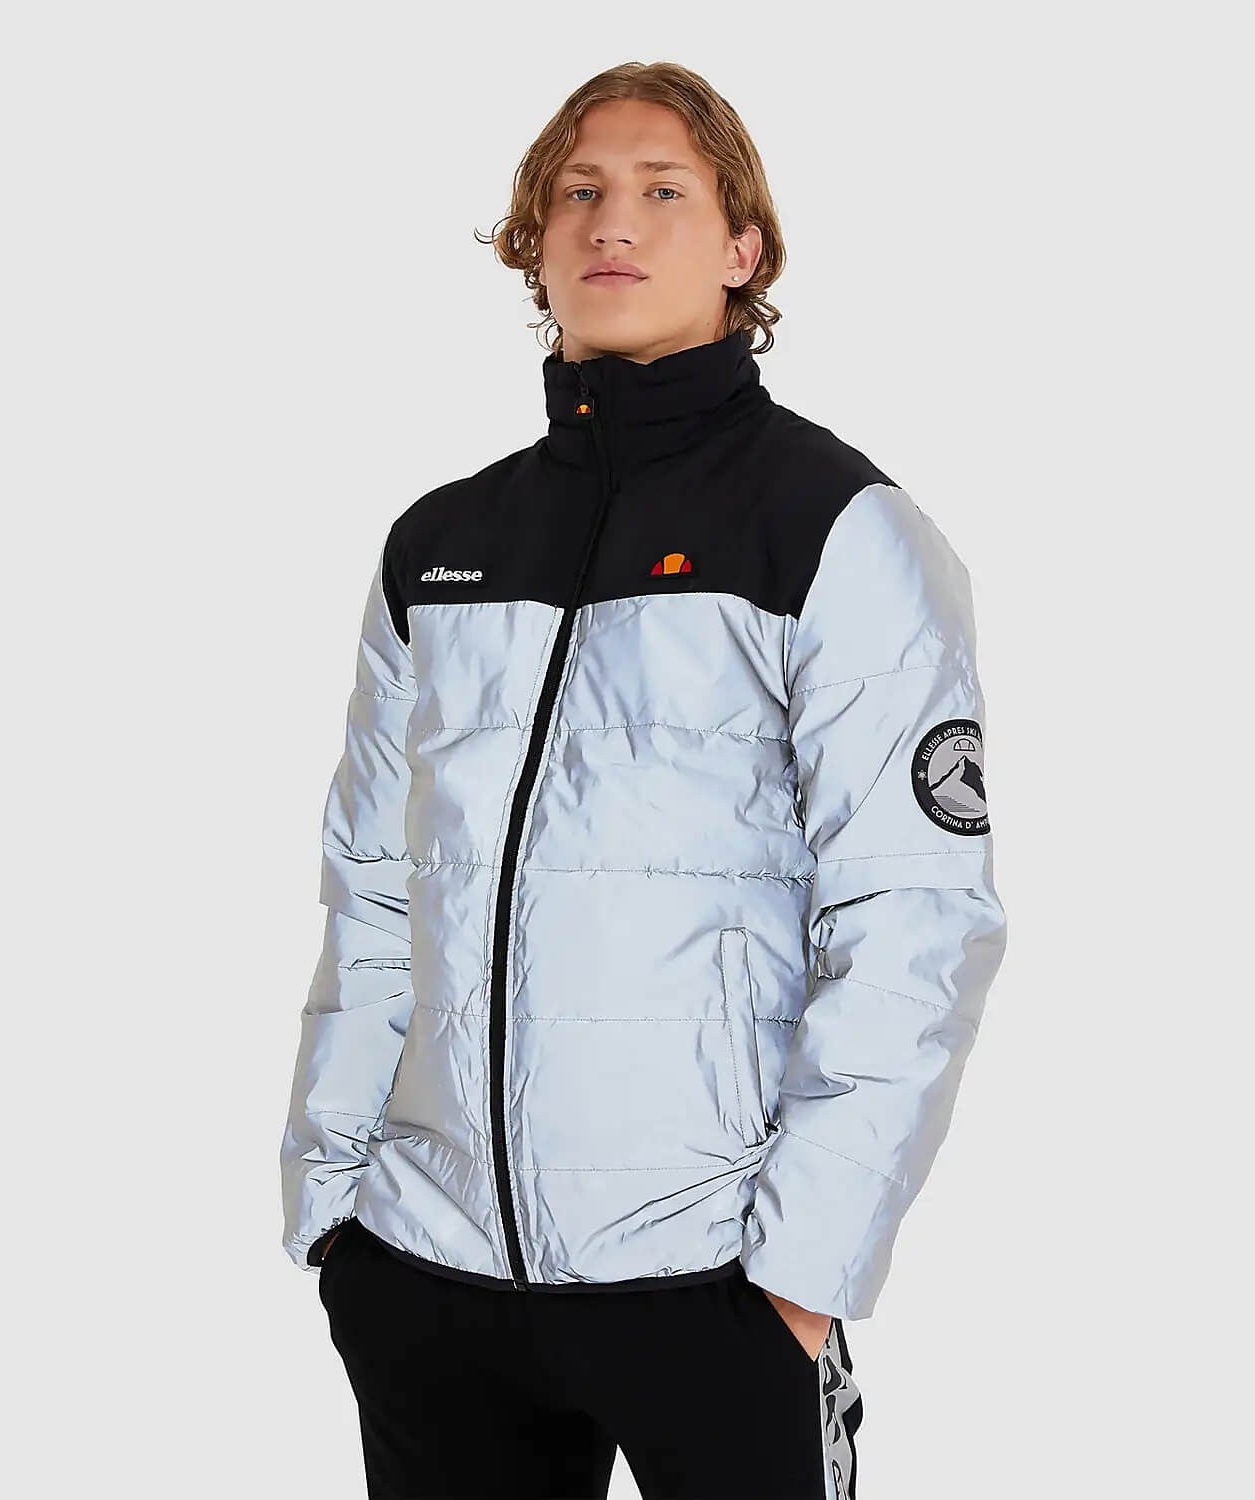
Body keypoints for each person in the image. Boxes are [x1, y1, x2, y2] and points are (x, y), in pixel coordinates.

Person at [279, 60, 1007, 1500]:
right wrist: (335, 1208)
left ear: (743, 249)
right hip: (426, 1272)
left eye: (664, 190)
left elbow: (918, 920)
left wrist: (804, 1270)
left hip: (710, 1276)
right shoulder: (441, 544)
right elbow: (373, 890)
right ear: (533, 244)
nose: (614, 220)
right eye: (580, 191)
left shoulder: (833, 526)